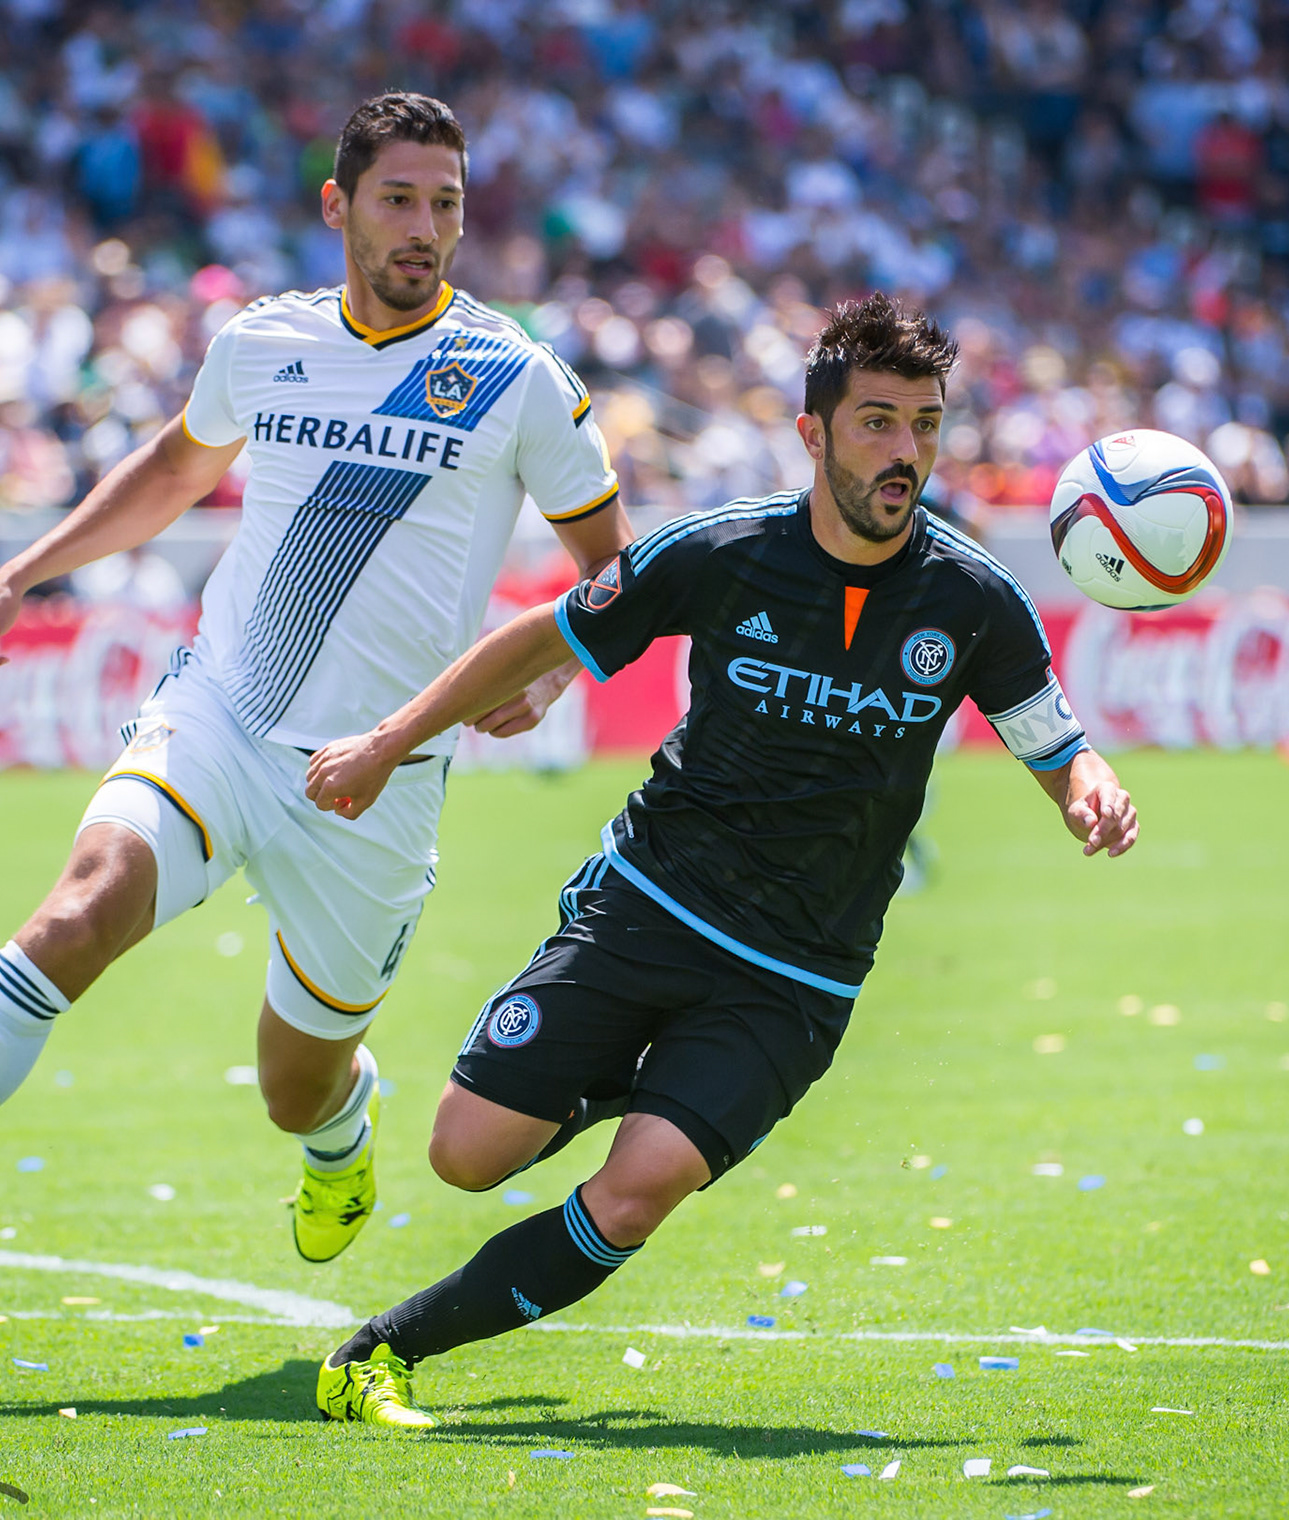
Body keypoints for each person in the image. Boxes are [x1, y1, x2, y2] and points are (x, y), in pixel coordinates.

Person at [0, 92, 631, 1326]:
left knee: (295, 1081)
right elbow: (171, 467)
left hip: (375, 773)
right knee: (77, 909)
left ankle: (338, 1131)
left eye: (447, 204)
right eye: (400, 200)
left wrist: (552, 670)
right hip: (218, 710)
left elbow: (612, 571)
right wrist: (16, 576)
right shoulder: (261, 342)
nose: (427, 227)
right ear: (338, 206)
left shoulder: (519, 379)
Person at [300, 294, 1139, 1428]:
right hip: (646, 905)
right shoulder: (724, 552)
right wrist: (391, 738)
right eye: (879, 423)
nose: (907, 453)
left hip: (796, 973)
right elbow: (545, 634)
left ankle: (381, 1353)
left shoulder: (975, 599)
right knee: (464, 1151)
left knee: (636, 1191)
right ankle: (624, 1080)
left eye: (926, 425)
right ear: (814, 432)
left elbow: (1057, 743)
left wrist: (1092, 791)